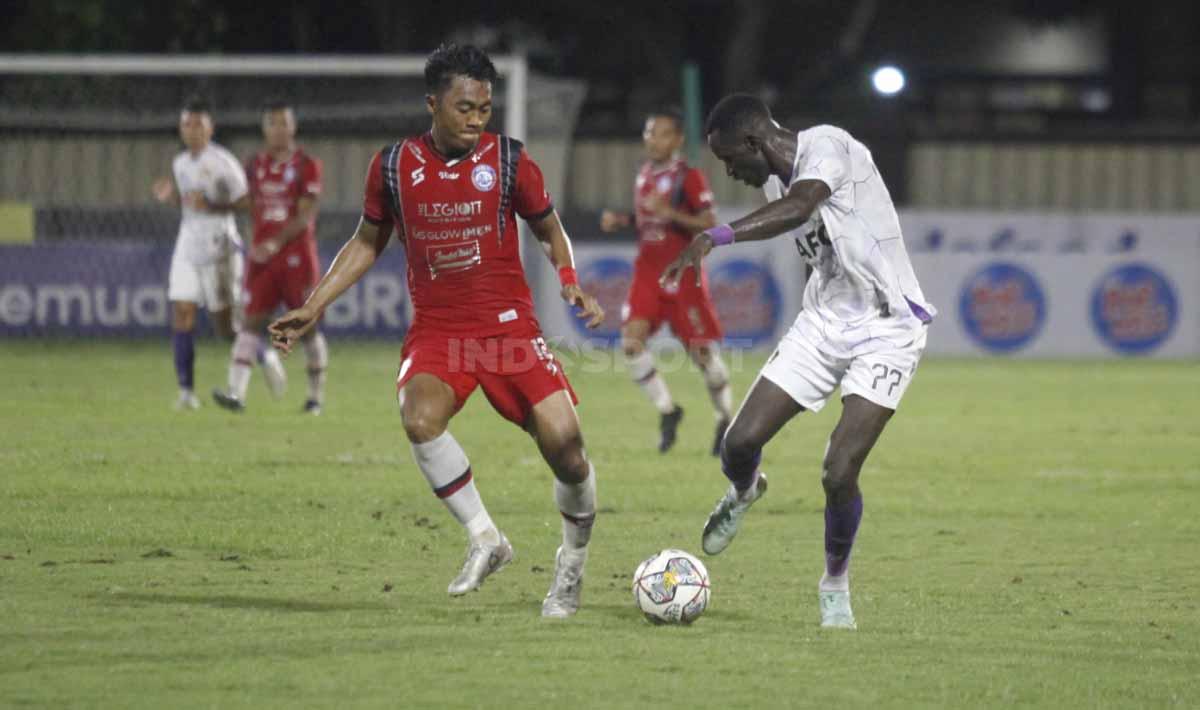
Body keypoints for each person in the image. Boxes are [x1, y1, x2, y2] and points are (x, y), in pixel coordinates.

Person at [268, 44, 605, 618]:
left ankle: (569, 568)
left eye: (484, 109)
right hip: (439, 330)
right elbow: (367, 242)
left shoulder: (509, 161)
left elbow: (550, 228)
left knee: (567, 451)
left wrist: (569, 278)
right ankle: (485, 537)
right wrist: (314, 304)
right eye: (465, 107)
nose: (477, 120)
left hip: (508, 329)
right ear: (433, 104)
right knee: (419, 418)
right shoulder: (394, 167)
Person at [662, 94, 936, 629]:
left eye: (728, 160)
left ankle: (834, 583)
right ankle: (745, 491)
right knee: (738, 444)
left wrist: (718, 235)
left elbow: (802, 205)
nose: (730, 172)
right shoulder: (771, 181)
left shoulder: (827, 145)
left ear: (752, 142)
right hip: (823, 324)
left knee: (839, 471)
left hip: (887, 329)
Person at [600, 107, 733, 456]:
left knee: (704, 356)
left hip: (684, 276)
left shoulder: (689, 177)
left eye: (659, 133)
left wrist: (670, 212)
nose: (651, 140)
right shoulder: (643, 174)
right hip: (648, 274)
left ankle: (725, 418)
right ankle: (668, 410)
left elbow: (709, 222)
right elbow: (650, 222)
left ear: (677, 140)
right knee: (631, 343)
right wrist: (624, 219)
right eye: (648, 133)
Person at [212, 100, 326, 414]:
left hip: (297, 258)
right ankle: (236, 393)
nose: (278, 129)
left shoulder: (307, 165)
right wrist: (211, 204)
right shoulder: (252, 166)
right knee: (250, 322)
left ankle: (315, 398)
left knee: (308, 327)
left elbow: (305, 216)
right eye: (272, 123)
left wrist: (275, 242)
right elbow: (245, 205)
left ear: (293, 126)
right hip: (262, 258)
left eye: (283, 123)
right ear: (265, 128)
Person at [151, 97, 248, 411]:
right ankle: (186, 393)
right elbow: (189, 203)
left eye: (198, 124)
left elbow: (247, 202)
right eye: (186, 124)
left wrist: (214, 206)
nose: (192, 131)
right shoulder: (180, 163)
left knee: (225, 325)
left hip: (219, 246)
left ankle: (262, 354)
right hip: (188, 244)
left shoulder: (223, 162)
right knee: (182, 311)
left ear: (210, 128)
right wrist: (171, 200)